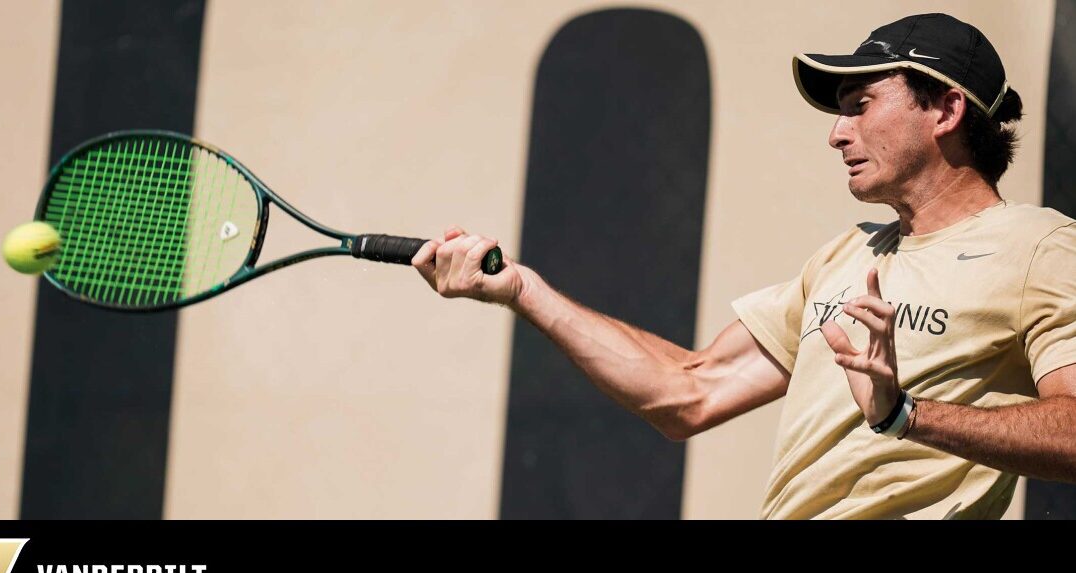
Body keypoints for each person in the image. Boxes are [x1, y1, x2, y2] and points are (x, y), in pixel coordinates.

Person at [411, 13, 1076, 519]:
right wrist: (521, 289)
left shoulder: (1039, 246)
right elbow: (688, 392)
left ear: (946, 109)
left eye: (859, 106)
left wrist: (906, 414)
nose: (836, 133)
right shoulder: (849, 254)